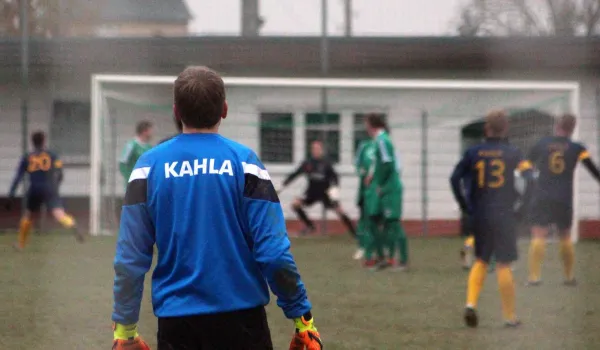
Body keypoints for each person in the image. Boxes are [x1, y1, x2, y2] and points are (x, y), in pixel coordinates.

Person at [111, 66, 322, 350]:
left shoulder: (147, 168)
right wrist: (303, 321)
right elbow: (273, 253)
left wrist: (125, 332)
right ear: (224, 109)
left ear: (176, 111)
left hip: (178, 325)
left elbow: (130, 258)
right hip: (243, 323)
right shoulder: (246, 164)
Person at [450, 110, 533, 328]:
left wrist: (464, 205)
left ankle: (470, 304)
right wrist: (522, 207)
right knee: (504, 263)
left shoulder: (473, 152)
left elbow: (454, 178)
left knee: (481, 260)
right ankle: (509, 316)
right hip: (505, 214)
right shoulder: (514, 153)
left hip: (481, 214)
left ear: (486, 128)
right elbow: (531, 179)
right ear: (505, 129)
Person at [526, 114, 600, 286]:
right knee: (565, 235)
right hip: (564, 197)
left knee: (539, 234)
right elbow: (592, 168)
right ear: (572, 129)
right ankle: (568, 277)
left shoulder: (542, 143)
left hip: (542, 194)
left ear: (557, 125)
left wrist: (531, 177)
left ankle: (534, 277)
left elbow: (527, 163)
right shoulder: (577, 148)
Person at [5, 131, 84, 250]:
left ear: (32, 142)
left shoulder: (27, 157)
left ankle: (21, 244)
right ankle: (71, 224)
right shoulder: (52, 155)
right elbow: (60, 172)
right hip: (49, 188)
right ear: (44, 141)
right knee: (59, 214)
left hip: (35, 189)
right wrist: (56, 185)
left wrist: (11, 195)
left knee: (28, 216)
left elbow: (18, 177)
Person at [280, 140, 357, 240]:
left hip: (325, 193)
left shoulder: (326, 163)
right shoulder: (307, 163)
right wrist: (282, 185)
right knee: (295, 204)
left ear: (321, 150)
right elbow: (295, 174)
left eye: (318, 149)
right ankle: (310, 226)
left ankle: (355, 233)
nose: (316, 151)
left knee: (340, 210)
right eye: (314, 149)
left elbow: (335, 177)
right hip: (311, 192)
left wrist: (334, 191)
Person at [363, 115, 409, 270]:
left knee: (393, 223)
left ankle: (402, 260)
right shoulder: (380, 140)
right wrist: (372, 175)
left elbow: (388, 163)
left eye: (366, 124)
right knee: (376, 220)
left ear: (371, 125)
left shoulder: (382, 140)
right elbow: (380, 163)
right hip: (384, 188)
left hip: (390, 189)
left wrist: (381, 183)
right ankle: (384, 257)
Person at [354, 138, 375, 262]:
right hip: (364, 190)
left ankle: (377, 249)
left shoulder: (385, 145)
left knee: (377, 221)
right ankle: (362, 247)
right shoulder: (364, 145)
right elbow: (357, 164)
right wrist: (362, 173)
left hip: (379, 190)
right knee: (363, 219)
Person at [119, 120, 153, 187]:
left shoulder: (149, 147)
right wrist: (130, 179)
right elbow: (122, 163)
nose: (152, 133)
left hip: (145, 185)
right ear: (144, 131)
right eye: (150, 131)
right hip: (133, 185)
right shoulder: (131, 145)